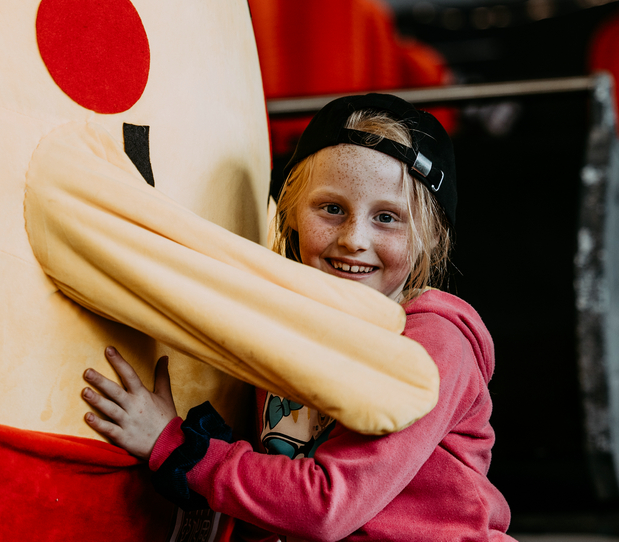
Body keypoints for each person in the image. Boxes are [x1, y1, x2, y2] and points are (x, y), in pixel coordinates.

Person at [80, 93, 515, 541]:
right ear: (289, 213)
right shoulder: (289, 321)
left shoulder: (433, 345)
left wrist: (175, 447)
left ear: (427, 237)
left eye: (386, 217)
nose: (353, 238)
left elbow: (328, 507)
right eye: (331, 209)